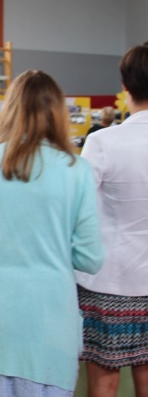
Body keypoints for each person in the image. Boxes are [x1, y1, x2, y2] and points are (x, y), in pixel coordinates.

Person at [0, 70, 104, 396]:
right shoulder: (76, 170)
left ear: (9, 110)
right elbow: (91, 259)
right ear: (58, 113)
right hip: (49, 321)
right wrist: (55, 248)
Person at [75, 43, 148, 397]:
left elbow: (78, 209)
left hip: (109, 282)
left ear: (125, 87)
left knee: (104, 381)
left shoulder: (103, 141)